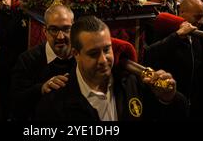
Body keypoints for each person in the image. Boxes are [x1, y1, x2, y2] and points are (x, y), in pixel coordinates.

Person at [35, 16, 188, 121]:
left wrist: (168, 98)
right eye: (93, 53)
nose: (103, 60)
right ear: (76, 54)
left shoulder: (131, 83)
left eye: (107, 50)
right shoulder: (55, 101)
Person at [10, 5, 76, 120]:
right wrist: (41, 88)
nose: (60, 37)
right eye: (54, 30)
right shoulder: (27, 60)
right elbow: (16, 101)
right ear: (45, 31)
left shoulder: (84, 56)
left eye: (66, 29)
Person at [143, 0, 203, 116]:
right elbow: (148, 55)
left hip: (189, 104)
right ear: (181, 12)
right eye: (197, 17)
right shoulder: (164, 31)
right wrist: (177, 36)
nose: (201, 21)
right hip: (167, 105)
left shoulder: (196, 36)